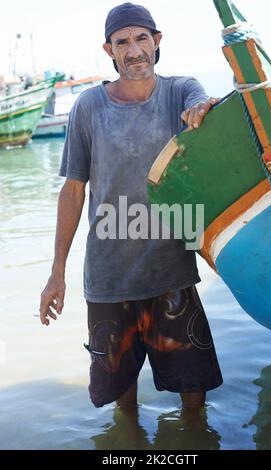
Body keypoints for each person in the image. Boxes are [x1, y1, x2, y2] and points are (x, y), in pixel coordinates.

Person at [39, 2, 223, 412]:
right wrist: (56, 276)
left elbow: (202, 101)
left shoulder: (179, 91)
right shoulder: (88, 106)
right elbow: (72, 191)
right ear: (109, 50)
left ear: (157, 43)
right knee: (124, 401)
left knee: (194, 393)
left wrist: (202, 109)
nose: (134, 49)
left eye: (142, 38)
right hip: (109, 277)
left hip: (172, 273)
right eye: (123, 42)